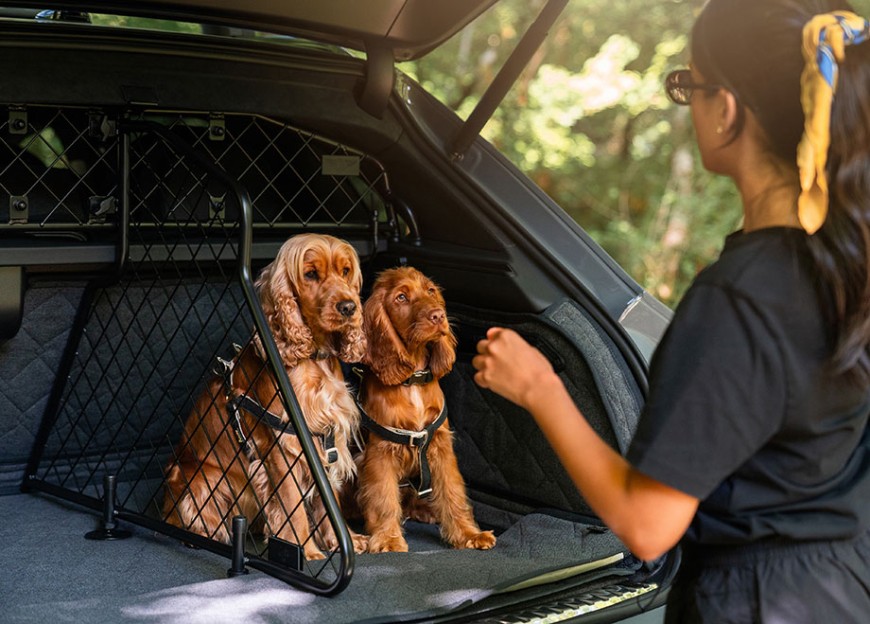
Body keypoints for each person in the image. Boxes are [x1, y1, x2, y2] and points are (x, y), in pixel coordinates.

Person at [472, 1, 870, 621]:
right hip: (841, 588)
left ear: (727, 110)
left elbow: (647, 525)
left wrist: (540, 387)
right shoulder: (849, 262)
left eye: (689, 85)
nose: (689, 107)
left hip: (755, 602)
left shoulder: (738, 299)